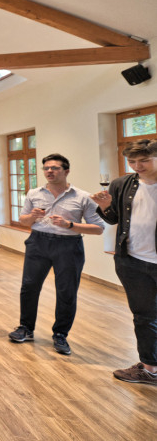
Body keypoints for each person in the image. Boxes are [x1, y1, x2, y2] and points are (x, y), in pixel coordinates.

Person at [9, 153, 103, 355]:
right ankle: (26, 328)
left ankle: (60, 334)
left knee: (66, 291)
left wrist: (69, 225)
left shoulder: (83, 197)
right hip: (38, 242)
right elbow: (23, 221)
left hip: (68, 245)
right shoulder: (34, 193)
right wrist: (31, 216)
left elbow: (98, 228)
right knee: (29, 286)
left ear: (66, 171)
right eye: (46, 168)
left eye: (55, 168)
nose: (49, 171)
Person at [91, 139, 157, 385]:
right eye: (132, 161)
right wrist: (105, 206)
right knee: (144, 316)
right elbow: (113, 219)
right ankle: (150, 368)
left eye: (144, 160)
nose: (137, 166)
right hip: (132, 262)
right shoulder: (122, 184)